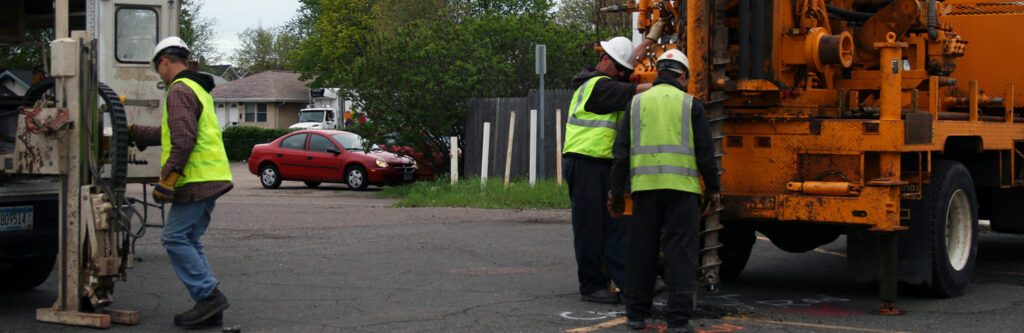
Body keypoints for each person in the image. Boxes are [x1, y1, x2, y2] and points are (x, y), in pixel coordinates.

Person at [607, 49, 721, 333]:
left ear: (659, 73)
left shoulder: (635, 104)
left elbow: (621, 153)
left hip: (645, 190)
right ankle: (678, 321)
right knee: (680, 253)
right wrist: (713, 190)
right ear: (683, 75)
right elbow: (706, 155)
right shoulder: (691, 105)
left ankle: (635, 315)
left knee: (641, 251)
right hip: (682, 192)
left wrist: (615, 192)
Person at [128, 36, 233, 328]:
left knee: (173, 238)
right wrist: (135, 132)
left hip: (196, 180)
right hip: (212, 176)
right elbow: (171, 131)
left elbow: (183, 139)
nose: (159, 74)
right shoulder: (198, 89)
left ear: (163, 62)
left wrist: (168, 180)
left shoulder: (178, 90)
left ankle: (209, 297)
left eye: (157, 68)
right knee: (188, 239)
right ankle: (209, 302)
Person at [563, 20, 667, 304]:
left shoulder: (612, 76)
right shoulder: (598, 87)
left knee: (617, 223)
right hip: (585, 163)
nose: (625, 75)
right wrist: (668, 80)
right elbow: (633, 91)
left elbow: (631, 60)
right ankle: (592, 286)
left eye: (627, 71)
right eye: (621, 70)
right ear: (606, 61)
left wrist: (650, 40)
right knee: (590, 229)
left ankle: (626, 281)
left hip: (605, 165)